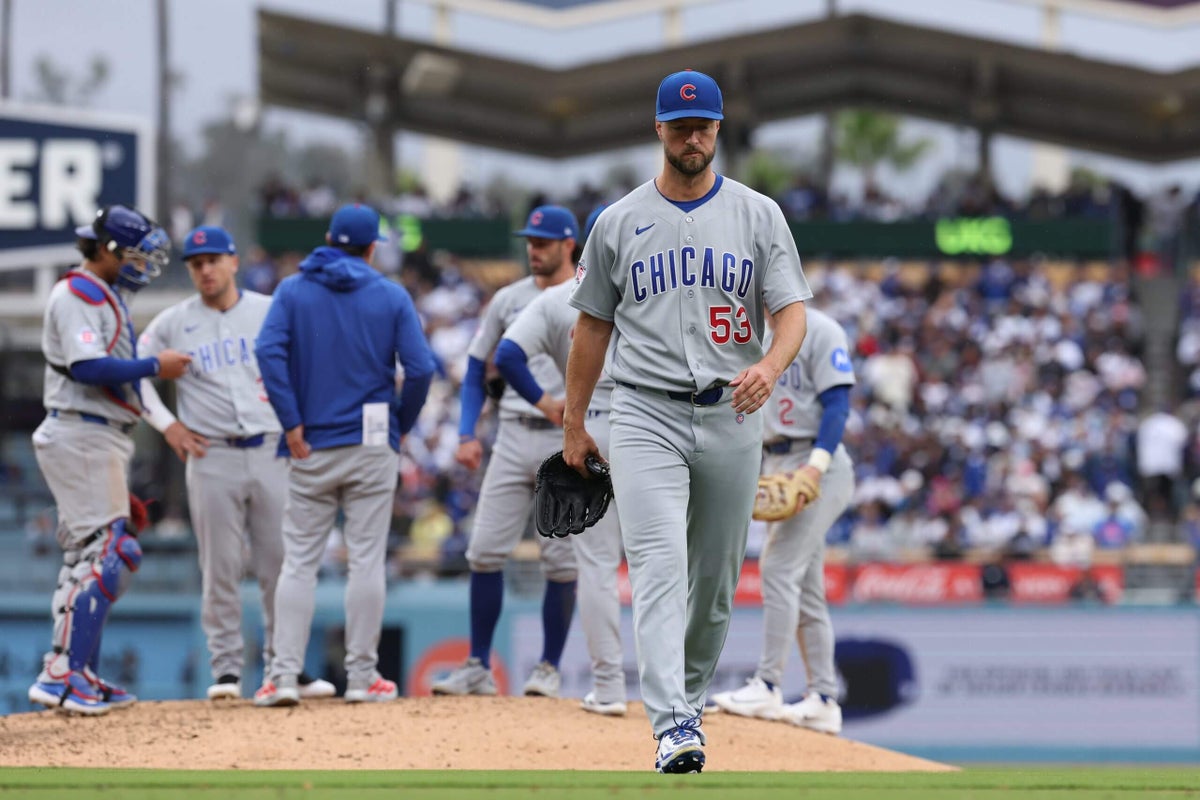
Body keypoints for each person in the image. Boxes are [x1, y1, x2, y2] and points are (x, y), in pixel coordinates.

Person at [563, 70, 812, 773]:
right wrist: (575, 422)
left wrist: (769, 365)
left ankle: (688, 706)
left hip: (733, 408)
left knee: (714, 583)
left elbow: (791, 313)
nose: (693, 137)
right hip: (644, 410)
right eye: (681, 126)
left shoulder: (759, 215)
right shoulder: (617, 221)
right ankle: (671, 722)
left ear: (719, 130)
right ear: (659, 129)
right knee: (658, 566)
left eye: (703, 127)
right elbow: (590, 330)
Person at [138, 225, 335, 702]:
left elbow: (312, 360)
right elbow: (135, 372)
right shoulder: (172, 321)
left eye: (212, 260)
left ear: (233, 261)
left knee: (281, 565)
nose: (204, 269)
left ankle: (286, 666)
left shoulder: (270, 310)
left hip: (271, 447)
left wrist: (300, 419)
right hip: (212, 454)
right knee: (221, 568)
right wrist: (167, 424)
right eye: (196, 263)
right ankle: (227, 671)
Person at [253, 203, 435, 706]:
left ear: (329, 240)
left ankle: (283, 675)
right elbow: (419, 369)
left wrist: (290, 422)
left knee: (299, 564)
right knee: (367, 563)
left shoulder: (292, 289)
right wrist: (401, 423)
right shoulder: (390, 294)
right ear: (373, 247)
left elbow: (268, 352)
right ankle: (362, 677)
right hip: (372, 442)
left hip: (309, 442)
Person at [28, 205, 191, 715]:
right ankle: (62, 674)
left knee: (87, 561)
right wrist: (154, 365)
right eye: (138, 255)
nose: (144, 265)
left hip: (97, 434)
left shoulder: (104, 295)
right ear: (108, 250)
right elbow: (87, 366)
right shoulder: (78, 293)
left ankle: (78, 671)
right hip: (81, 431)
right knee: (112, 554)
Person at [431, 205, 581, 699]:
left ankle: (549, 667)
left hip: (565, 438)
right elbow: (476, 369)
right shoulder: (507, 299)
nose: (533, 250)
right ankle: (477, 663)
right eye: (530, 242)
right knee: (483, 552)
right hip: (514, 431)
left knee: (561, 561)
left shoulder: (587, 297)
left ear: (569, 245)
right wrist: (469, 431)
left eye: (543, 242)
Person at [492, 204, 627, 716]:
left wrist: (552, 406)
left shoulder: (554, 300)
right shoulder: (654, 289)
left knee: (595, 563)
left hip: (592, 424)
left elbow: (505, 356)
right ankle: (680, 693)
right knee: (666, 560)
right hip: (654, 425)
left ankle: (610, 688)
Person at [710, 307, 854, 735]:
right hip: (775, 457)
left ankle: (768, 684)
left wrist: (815, 467)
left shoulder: (822, 328)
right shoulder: (750, 333)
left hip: (818, 462)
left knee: (777, 567)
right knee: (805, 585)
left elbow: (838, 406)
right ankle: (823, 698)